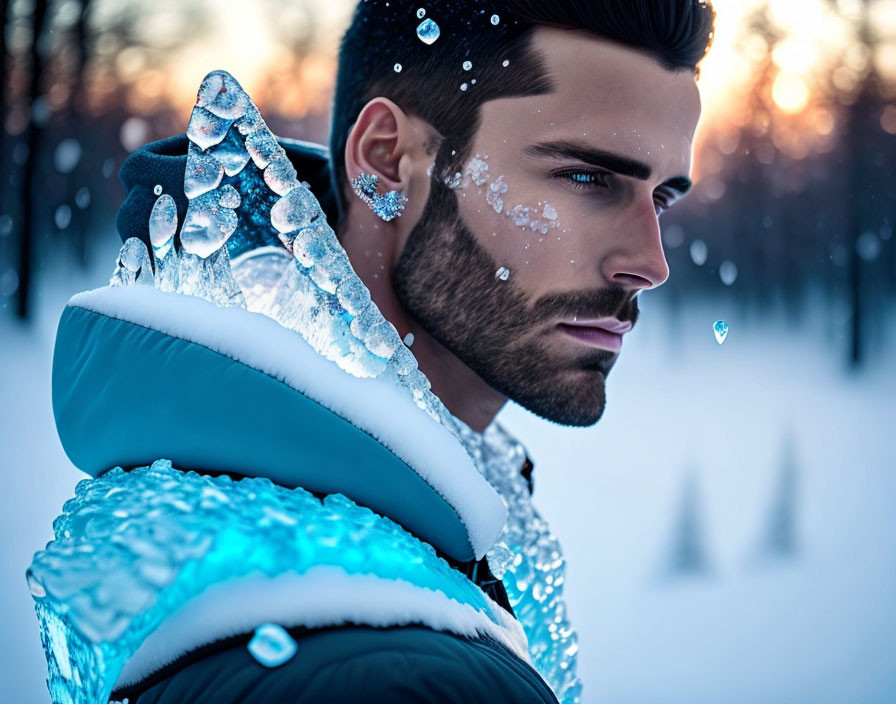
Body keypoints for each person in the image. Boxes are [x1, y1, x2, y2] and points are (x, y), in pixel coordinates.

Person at [27, 1, 714, 702]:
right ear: (387, 159)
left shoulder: (245, 504)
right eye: (588, 178)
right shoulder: (391, 677)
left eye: (661, 199)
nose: (651, 263)